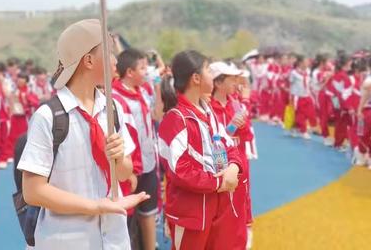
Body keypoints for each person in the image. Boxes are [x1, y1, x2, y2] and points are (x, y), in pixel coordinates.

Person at [17, 19, 149, 249]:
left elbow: (124, 172)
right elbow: (33, 191)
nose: (115, 60)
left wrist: (118, 157)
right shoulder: (49, 116)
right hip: (66, 239)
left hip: (113, 237)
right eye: (108, 53)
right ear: (88, 60)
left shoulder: (111, 109)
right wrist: (95, 207)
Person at [158, 50, 243, 250]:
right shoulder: (176, 118)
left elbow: (228, 145)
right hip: (191, 214)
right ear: (196, 78)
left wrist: (233, 167)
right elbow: (181, 171)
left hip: (216, 208)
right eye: (207, 69)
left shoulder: (207, 110)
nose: (211, 75)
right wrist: (219, 181)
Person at [113, 48, 159, 250]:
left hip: (149, 163)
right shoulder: (114, 98)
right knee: (126, 219)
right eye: (142, 67)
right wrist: (129, 171)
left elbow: (156, 115)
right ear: (130, 72)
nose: (146, 71)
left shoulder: (144, 90)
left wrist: (157, 90)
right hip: (130, 167)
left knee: (149, 211)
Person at [210, 61, 252, 250]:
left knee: (240, 207)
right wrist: (232, 128)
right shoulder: (208, 108)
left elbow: (247, 136)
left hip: (239, 164)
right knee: (221, 214)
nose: (236, 82)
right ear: (217, 83)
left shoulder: (235, 104)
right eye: (232, 78)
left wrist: (241, 126)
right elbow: (212, 139)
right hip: (218, 169)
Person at [289, 56, 317, 139]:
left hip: (307, 95)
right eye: (306, 61)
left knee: (310, 112)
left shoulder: (308, 71)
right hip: (298, 96)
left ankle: (296, 127)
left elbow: (310, 82)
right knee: (300, 114)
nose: (308, 63)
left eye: (308, 61)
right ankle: (303, 131)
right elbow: (290, 83)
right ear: (300, 63)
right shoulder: (294, 73)